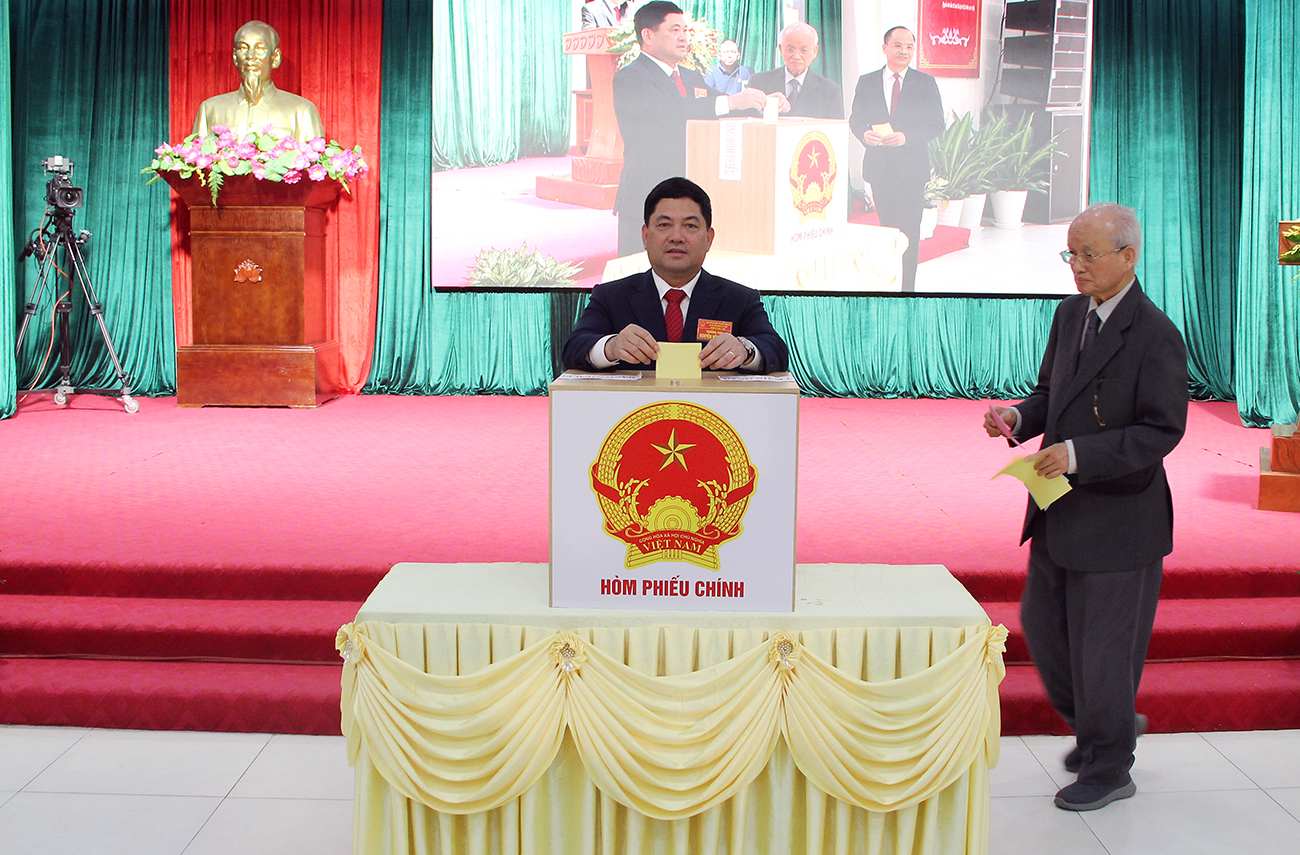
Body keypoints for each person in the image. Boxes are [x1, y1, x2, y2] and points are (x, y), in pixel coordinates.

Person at [983, 204, 1189, 812]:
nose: (1076, 267)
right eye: (1070, 254)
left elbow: (1161, 431)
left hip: (1120, 519)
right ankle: (1109, 721)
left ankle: (1108, 763)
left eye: (1088, 255)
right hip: (1058, 509)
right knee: (1045, 631)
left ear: (1129, 257)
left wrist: (1077, 455)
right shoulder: (1070, 314)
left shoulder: (1155, 334)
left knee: (1103, 649)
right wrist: (1020, 418)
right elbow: (1054, 394)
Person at [564, 177, 788, 373]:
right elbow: (575, 348)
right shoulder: (611, 297)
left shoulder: (739, 299)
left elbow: (775, 350)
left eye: (690, 226)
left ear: (709, 238)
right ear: (645, 235)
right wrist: (610, 347)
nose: (677, 237)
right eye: (664, 225)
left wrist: (745, 350)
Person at [612, 2, 776, 256]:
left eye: (686, 30)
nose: (684, 37)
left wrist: (764, 101)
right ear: (648, 35)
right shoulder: (630, 78)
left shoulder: (690, 77)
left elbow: (721, 104)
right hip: (648, 196)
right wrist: (731, 102)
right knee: (639, 277)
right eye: (675, 29)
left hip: (690, 195)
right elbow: (669, 117)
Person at [848, 26, 943, 291]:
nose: (904, 51)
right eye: (898, 45)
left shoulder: (925, 83)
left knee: (910, 232)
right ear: (885, 47)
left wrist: (906, 137)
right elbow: (856, 120)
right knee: (887, 232)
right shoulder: (867, 81)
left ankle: (907, 290)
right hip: (880, 169)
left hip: (912, 170)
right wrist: (864, 134)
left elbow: (937, 124)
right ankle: (887, 286)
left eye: (909, 46)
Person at [192, 20, 324, 142]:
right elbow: (195, 164)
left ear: (275, 57)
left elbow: (315, 163)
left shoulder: (301, 111)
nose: (250, 56)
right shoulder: (210, 109)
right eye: (243, 48)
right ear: (235, 57)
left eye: (260, 49)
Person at [747, 23, 844, 119]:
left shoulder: (830, 91)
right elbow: (746, 123)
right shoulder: (758, 83)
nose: (796, 56)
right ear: (781, 49)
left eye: (804, 50)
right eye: (790, 49)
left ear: (815, 51)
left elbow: (835, 131)